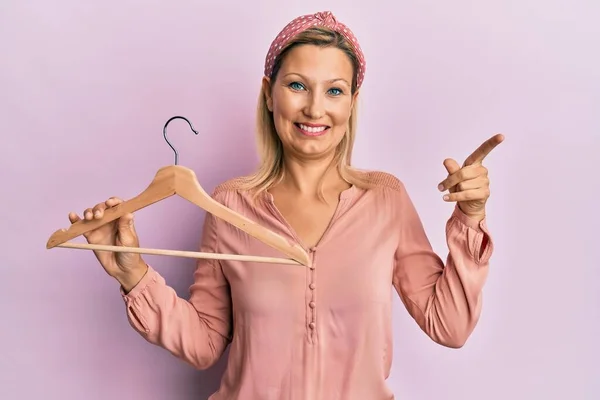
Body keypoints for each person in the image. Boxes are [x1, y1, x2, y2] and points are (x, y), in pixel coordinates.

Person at [68, 10, 503, 400]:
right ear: (269, 93)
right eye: (297, 85)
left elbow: (450, 325)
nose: (315, 109)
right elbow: (203, 344)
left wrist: (470, 217)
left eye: (334, 91)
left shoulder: (384, 199)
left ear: (352, 103)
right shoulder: (230, 204)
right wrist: (132, 274)